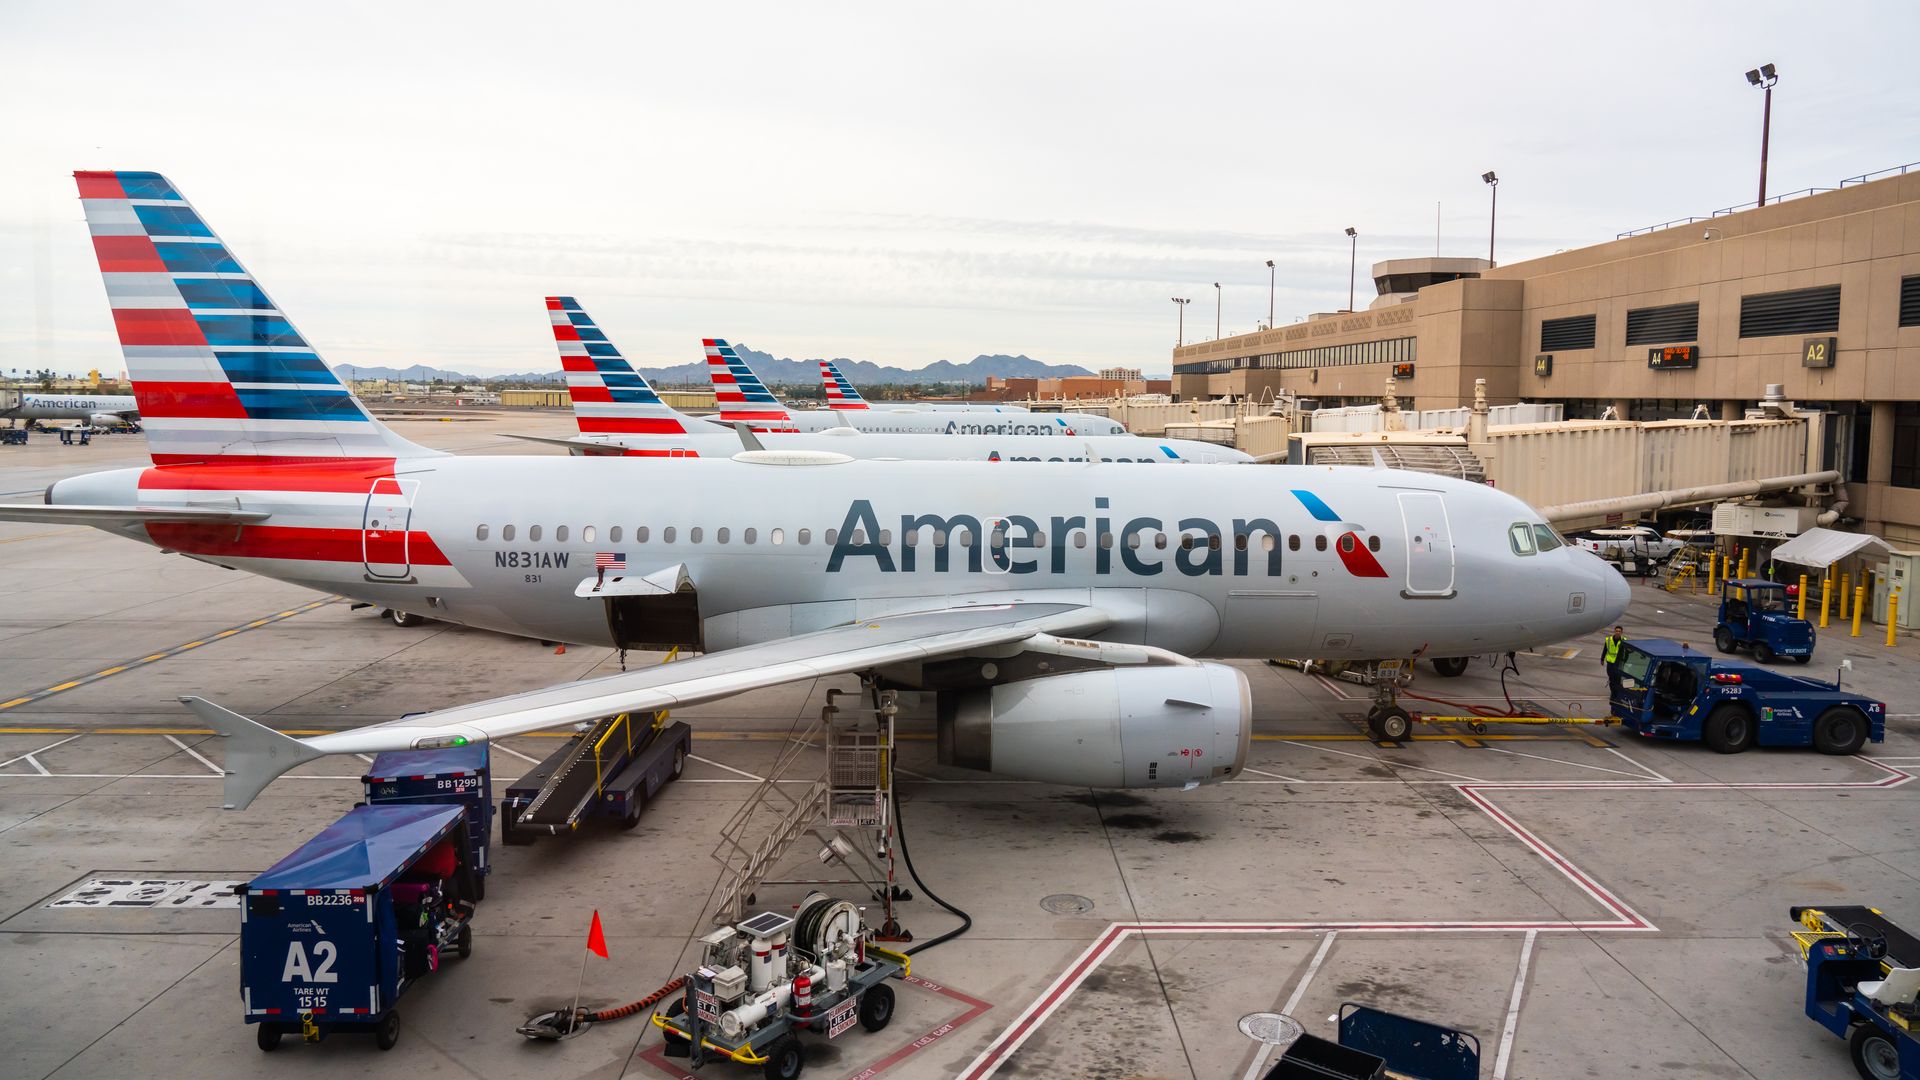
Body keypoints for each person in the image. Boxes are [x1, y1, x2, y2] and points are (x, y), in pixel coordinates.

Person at [1602, 626, 1626, 703]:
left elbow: (1626, 653)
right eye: (1616, 631)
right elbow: (1605, 649)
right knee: (1611, 679)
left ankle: (1616, 694)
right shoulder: (1608, 640)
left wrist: (1625, 661)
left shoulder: (1624, 640)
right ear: (1614, 631)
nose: (1618, 632)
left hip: (1618, 663)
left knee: (1618, 679)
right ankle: (1613, 694)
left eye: (1619, 631)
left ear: (1621, 632)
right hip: (1610, 662)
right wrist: (1602, 659)